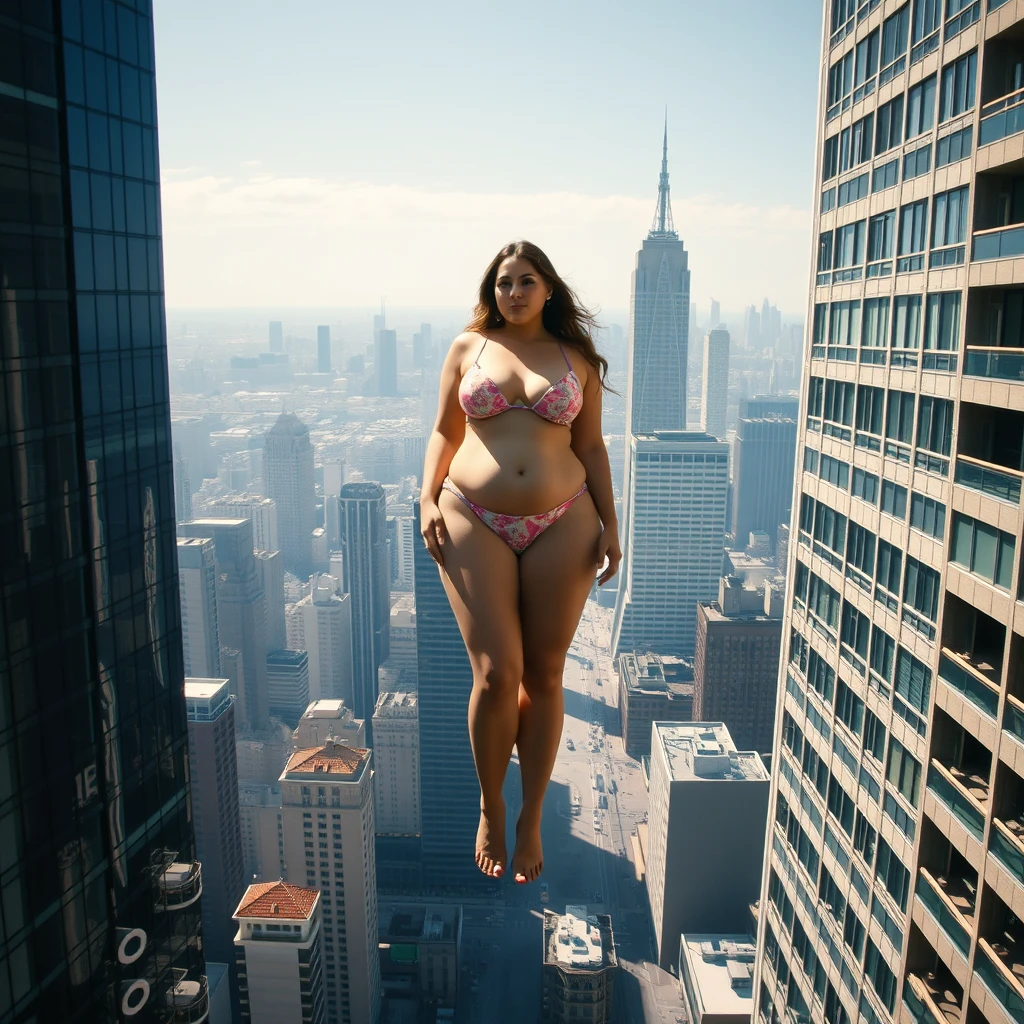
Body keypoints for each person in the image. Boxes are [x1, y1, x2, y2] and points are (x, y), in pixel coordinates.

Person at [420, 240, 621, 884]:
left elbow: (590, 446)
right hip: (470, 514)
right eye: (503, 282)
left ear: (548, 289)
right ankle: (491, 804)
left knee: (547, 674)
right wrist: (425, 497)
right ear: (491, 291)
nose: (513, 292)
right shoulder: (466, 348)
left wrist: (611, 522)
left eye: (526, 281)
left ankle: (531, 815)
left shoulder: (577, 360)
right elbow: (446, 432)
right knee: (496, 673)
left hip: (564, 517)